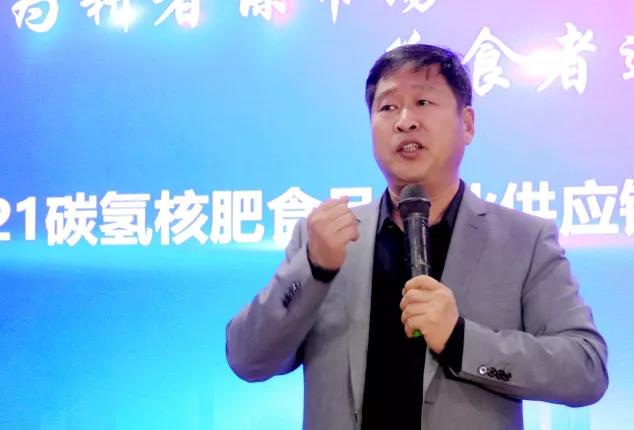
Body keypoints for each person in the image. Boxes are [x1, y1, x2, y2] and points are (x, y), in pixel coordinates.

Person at [226, 44, 608, 430]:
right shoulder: (325, 239)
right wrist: (314, 269)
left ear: (467, 124)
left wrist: (460, 340)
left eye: (423, 102)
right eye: (388, 107)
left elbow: (586, 369)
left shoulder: (524, 240)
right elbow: (247, 360)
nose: (405, 121)